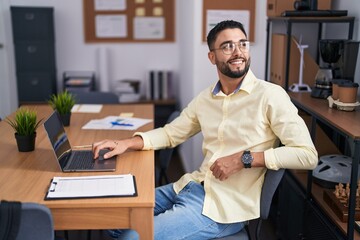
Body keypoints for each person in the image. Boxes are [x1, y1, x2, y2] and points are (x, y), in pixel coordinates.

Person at [92, 20, 318, 239]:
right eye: (228, 46)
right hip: (191, 186)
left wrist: (245, 158)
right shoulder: (206, 98)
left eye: (242, 44)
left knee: (132, 237)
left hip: (224, 208)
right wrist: (125, 143)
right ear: (212, 56)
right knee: (114, 220)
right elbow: (171, 133)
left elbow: (307, 156)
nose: (238, 51)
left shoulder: (271, 95)